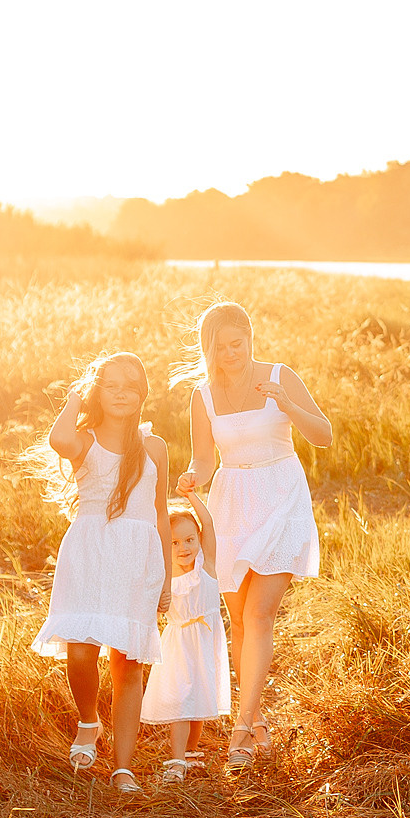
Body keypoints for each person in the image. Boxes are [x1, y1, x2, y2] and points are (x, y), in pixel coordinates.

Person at [176, 301, 332, 770]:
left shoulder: (281, 376)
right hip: (231, 505)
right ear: (209, 349)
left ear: (250, 337)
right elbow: (205, 458)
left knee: (260, 614)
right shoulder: (201, 397)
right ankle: (258, 721)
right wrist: (192, 475)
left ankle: (241, 729)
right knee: (240, 621)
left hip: (281, 496)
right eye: (219, 348)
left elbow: (323, 434)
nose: (230, 355)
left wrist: (286, 405)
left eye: (236, 344)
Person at [30, 352, 171, 795]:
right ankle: (89, 721)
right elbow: (58, 440)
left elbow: (161, 512)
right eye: (112, 385)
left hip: (136, 557)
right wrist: (75, 397)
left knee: (128, 664)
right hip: (90, 553)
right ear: (98, 390)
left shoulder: (154, 447)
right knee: (81, 653)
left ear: (143, 393)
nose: (122, 392)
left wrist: (166, 576)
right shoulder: (85, 441)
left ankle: (123, 767)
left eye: (132, 385)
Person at [141, 490, 229, 783]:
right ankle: (176, 758)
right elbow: (154, 609)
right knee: (181, 700)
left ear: (198, 540)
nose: (183, 547)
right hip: (178, 645)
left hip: (204, 641)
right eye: (174, 542)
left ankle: (190, 752)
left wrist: (190, 496)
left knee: (199, 701)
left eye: (190, 539)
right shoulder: (164, 577)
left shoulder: (208, 565)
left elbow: (208, 523)